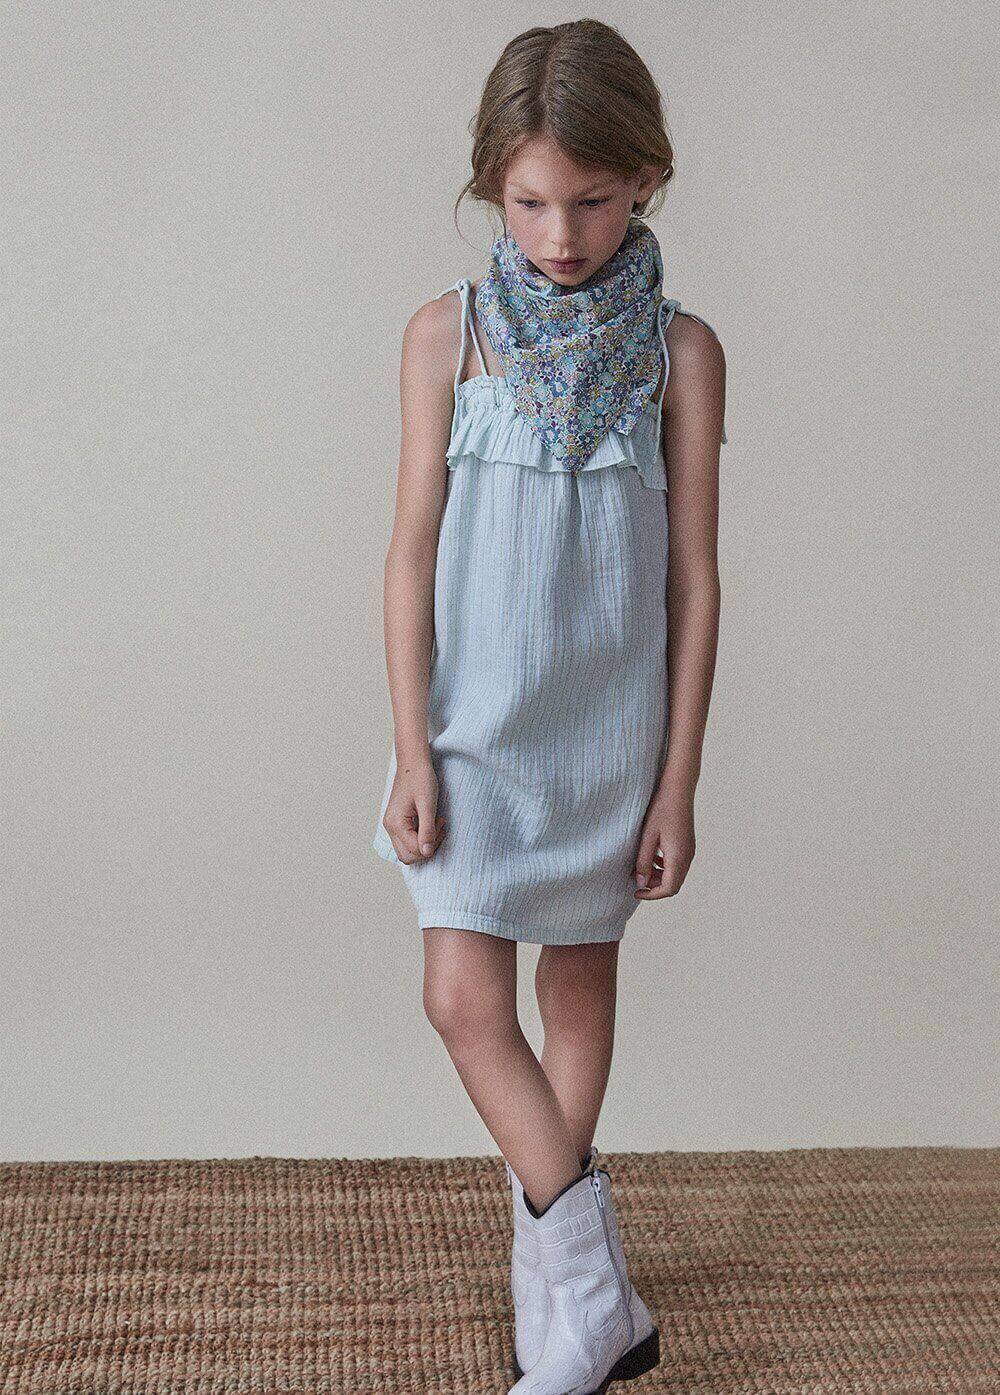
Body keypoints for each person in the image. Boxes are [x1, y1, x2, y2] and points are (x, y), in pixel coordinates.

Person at [372, 19, 727, 1392]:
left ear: (648, 179)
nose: (560, 234)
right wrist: (411, 745)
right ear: (490, 189)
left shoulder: (681, 355)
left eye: (592, 198)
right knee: (462, 999)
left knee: (576, 988)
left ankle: (560, 1306)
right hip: (472, 728)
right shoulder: (445, 339)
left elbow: (693, 582)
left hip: (606, 736)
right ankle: (595, 1295)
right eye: (527, 202)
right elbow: (409, 555)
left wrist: (677, 779)